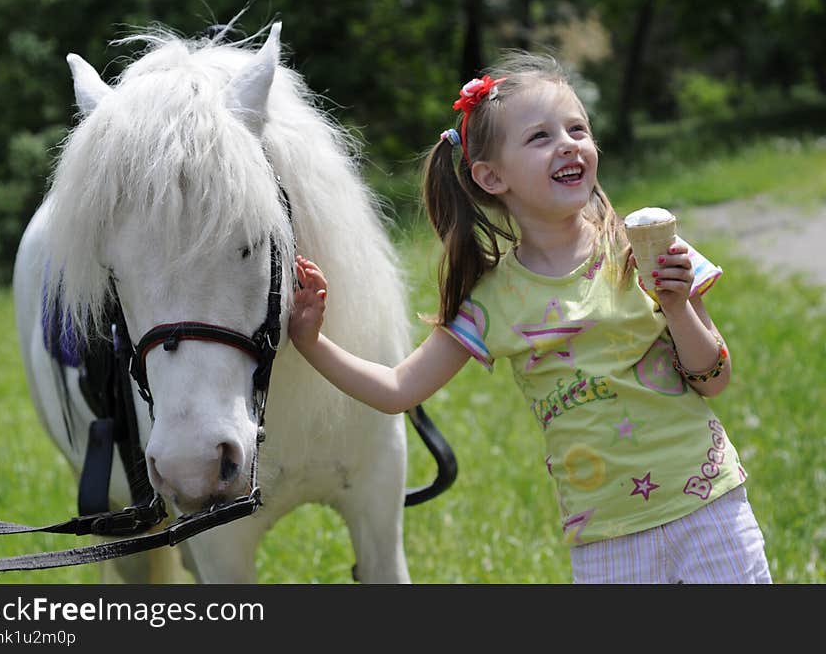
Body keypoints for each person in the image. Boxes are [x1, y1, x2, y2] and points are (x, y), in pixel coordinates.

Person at [289, 52, 771, 584]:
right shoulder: (492, 300)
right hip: (606, 536)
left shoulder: (648, 249)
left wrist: (676, 305)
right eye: (539, 137)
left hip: (709, 506)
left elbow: (715, 377)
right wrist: (312, 343)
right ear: (492, 177)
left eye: (577, 129)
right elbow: (399, 389)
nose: (567, 143)